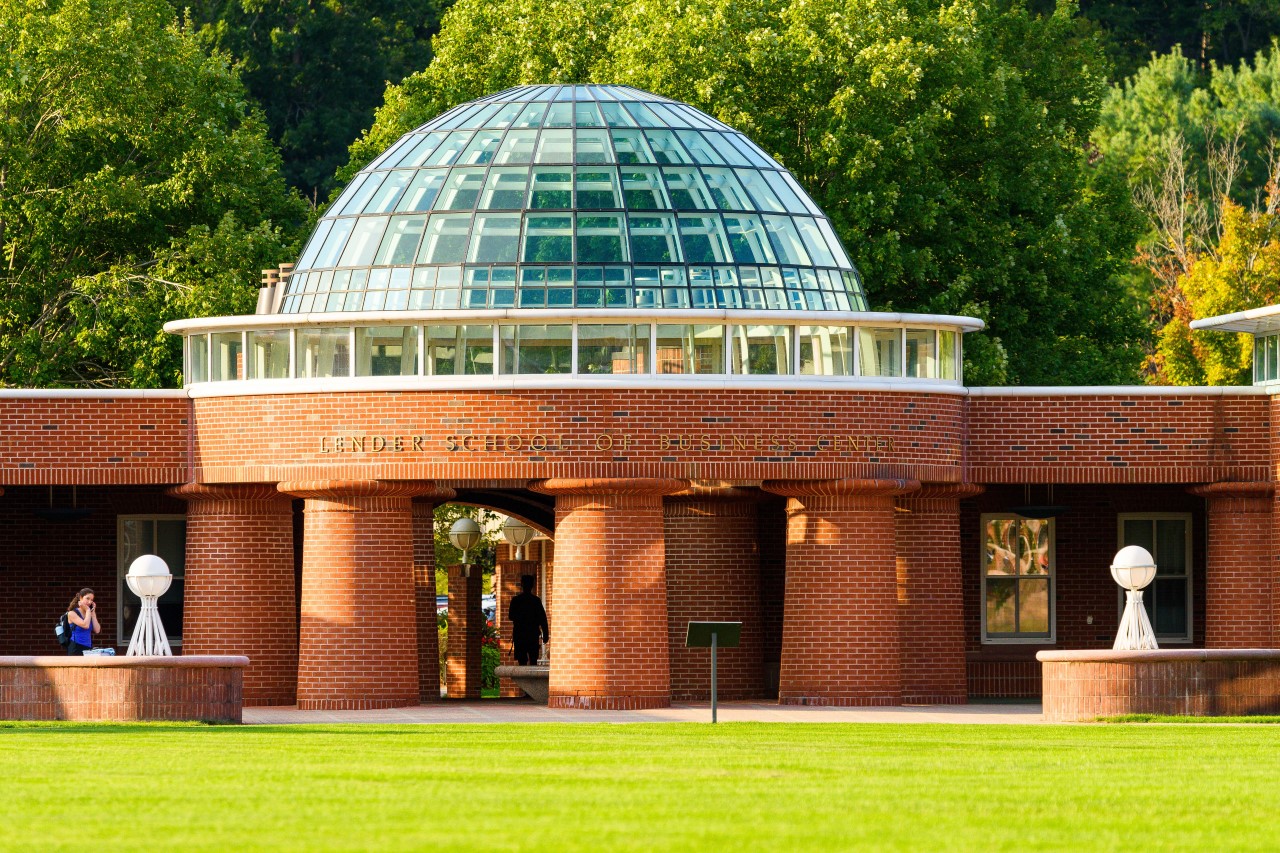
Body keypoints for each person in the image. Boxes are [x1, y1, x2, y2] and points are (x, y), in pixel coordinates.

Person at [508, 575, 548, 666]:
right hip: (532, 634)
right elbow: (543, 619)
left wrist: (520, 618)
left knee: (522, 660)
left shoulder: (516, 600)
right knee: (533, 660)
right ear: (532, 585)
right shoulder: (535, 601)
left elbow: (511, 616)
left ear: (522, 584)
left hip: (520, 634)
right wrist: (545, 633)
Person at [66, 588, 100, 656]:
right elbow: (85, 625)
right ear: (81, 598)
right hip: (76, 647)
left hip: (88, 647)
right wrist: (88, 610)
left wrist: (93, 615)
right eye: (87, 598)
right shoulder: (72, 613)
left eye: (91, 600)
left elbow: (97, 630)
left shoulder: (89, 614)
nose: (89, 602)